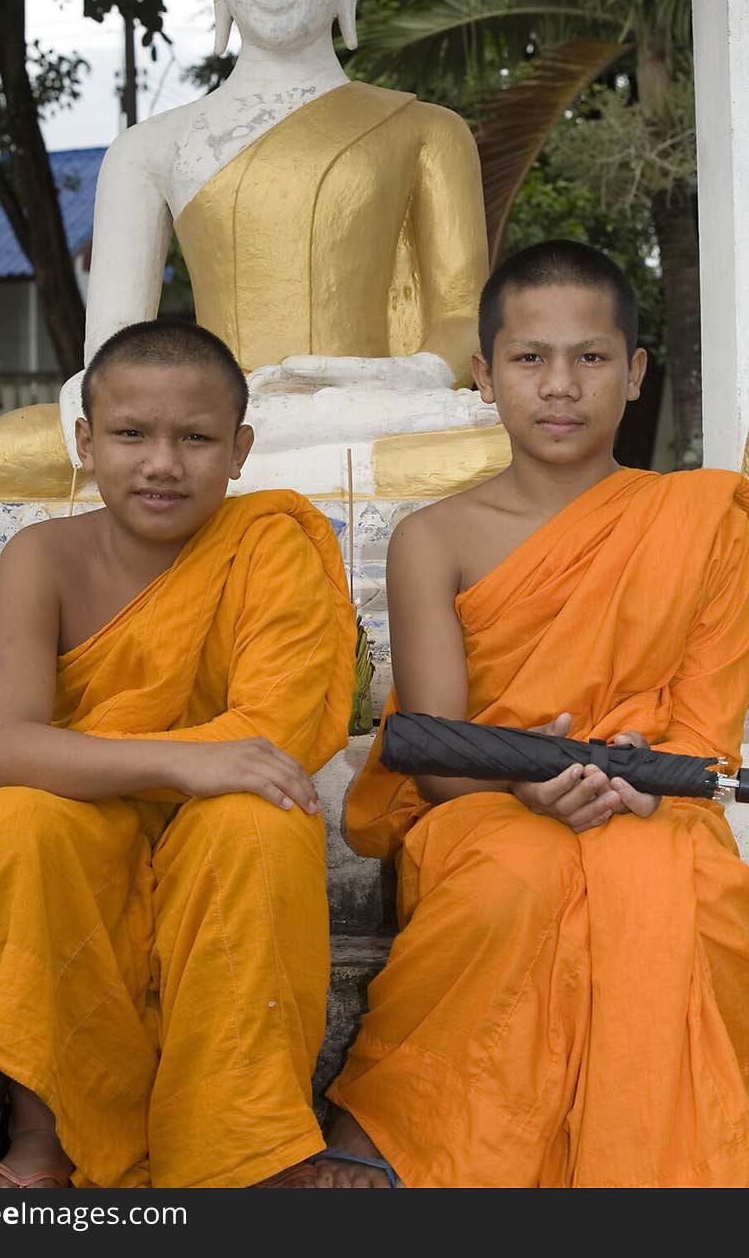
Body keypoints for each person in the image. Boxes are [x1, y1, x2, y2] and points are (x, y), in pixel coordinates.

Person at [285, 239, 749, 1188]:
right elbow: (434, 750)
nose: (561, 386)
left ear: (636, 372)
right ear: (484, 376)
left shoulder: (706, 520)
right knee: (516, 881)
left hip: (657, 800)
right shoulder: (436, 538)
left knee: (680, 887)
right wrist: (532, 781)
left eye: (591, 357)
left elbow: (703, 738)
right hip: (484, 806)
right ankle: (395, 1122)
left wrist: (635, 780)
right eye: (531, 359)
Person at [0, 316, 357, 1189]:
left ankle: (243, 1152)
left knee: (259, 823)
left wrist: (198, 771)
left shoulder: (270, 542)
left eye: (195, 438)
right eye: (131, 434)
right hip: (88, 814)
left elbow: (270, 740)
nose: (162, 463)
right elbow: (3, 748)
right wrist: (179, 760)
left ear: (240, 449)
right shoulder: (42, 556)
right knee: (9, 826)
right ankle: (48, 1140)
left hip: (216, 817)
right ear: (86, 443)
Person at [0, 0, 492, 503]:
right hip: (206, 421)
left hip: (368, 405)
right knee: (6, 452)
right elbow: (112, 361)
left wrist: (399, 381)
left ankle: (240, 470)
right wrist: (171, 414)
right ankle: (253, 462)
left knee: (497, 451)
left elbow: (465, 315)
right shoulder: (150, 147)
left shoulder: (426, 130)